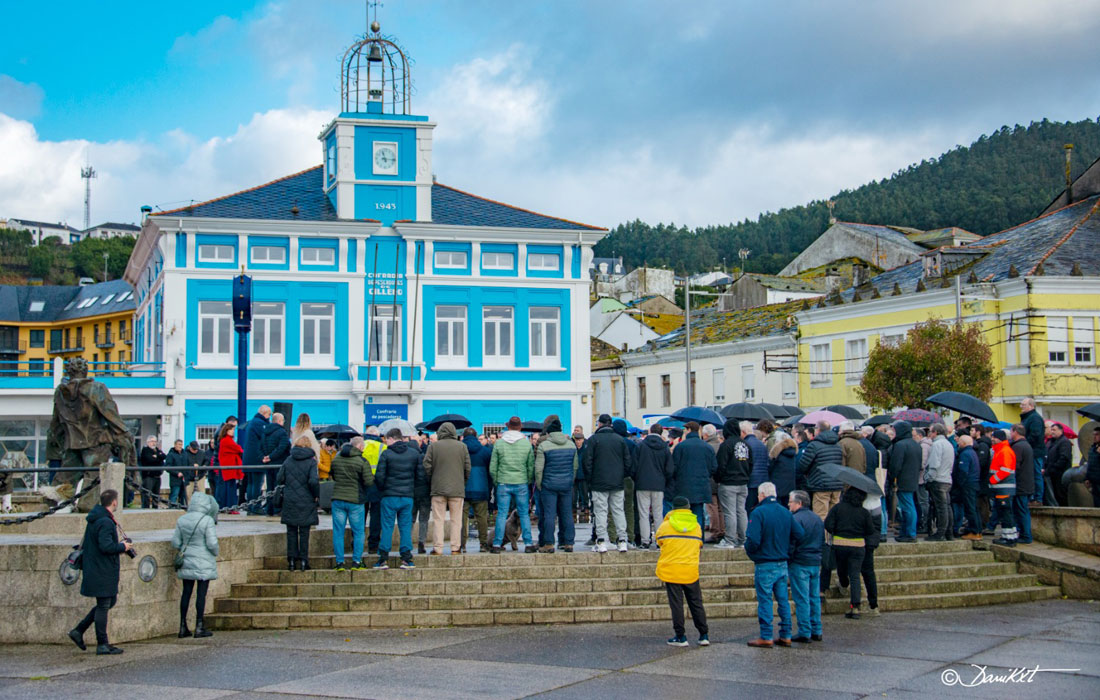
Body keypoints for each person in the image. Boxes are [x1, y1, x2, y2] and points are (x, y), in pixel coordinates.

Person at [67, 489, 133, 655]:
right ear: (114, 502)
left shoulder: (97, 518)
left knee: (109, 602)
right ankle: (102, 644)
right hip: (102, 569)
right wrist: (122, 546)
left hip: (97, 567)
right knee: (104, 605)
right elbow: (106, 546)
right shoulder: (105, 522)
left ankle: (79, 631)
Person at [745, 481, 802, 648]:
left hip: (765, 562)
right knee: (783, 600)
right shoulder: (785, 512)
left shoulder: (758, 512)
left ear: (762, 495)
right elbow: (799, 534)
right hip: (782, 562)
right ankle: (786, 634)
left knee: (765, 600)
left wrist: (751, 553)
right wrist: (788, 549)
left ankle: (766, 635)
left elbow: (753, 540)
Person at [656, 496, 709, 647]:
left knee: (677, 604)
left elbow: (659, 541)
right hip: (690, 569)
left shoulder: (665, 526)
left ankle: (681, 636)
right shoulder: (696, 526)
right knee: (696, 603)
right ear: (688, 508)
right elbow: (699, 544)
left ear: (673, 509)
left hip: (672, 569)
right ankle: (704, 634)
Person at [374, 428, 425, 569]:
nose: (386, 442)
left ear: (391, 438)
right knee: (405, 527)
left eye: (386, 439)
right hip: (407, 496)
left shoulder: (386, 454)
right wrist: (411, 490)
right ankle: (407, 558)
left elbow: (379, 476)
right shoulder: (414, 454)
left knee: (387, 526)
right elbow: (421, 476)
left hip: (389, 496)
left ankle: (383, 558)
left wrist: (383, 489)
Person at [171, 491, 219, 639]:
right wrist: (216, 552)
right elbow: (212, 544)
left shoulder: (182, 519)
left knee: (186, 592)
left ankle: (182, 626)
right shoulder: (207, 520)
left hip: (187, 560)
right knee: (201, 594)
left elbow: (175, 542)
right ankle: (199, 626)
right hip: (204, 561)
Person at [582, 414, 632, 553]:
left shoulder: (593, 440)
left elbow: (587, 462)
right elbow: (628, 462)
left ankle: (602, 541)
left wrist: (590, 479)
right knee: (618, 511)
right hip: (617, 482)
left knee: (601, 512)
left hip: (598, 482)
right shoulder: (620, 440)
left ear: (600, 424)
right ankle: (622, 540)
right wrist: (621, 476)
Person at [824, 487, 875, 618]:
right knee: (855, 576)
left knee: (841, 570)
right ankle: (855, 607)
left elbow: (828, 524)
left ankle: (843, 583)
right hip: (858, 546)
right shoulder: (864, 512)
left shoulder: (838, 508)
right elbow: (870, 530)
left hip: (840, 544)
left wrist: (837, 530)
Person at [489, 417, 536, 553]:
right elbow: (530, 466)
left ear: (508, 427)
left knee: (501, 514)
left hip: (503, 482)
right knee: (524, 514)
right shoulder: (526, 443)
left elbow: (493, 467)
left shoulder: (499, 443)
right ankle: (528, 543)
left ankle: (497, 544)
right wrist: (527, 480)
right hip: (521, 481)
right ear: (520, 427)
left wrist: (497, 480)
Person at [424, 422, 471, 555]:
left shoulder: (433, 446)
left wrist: (432, 479)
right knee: (456, 519)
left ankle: (438, 548)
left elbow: (426, 465)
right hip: (457, 489)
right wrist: (462, 482)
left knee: (438, 519)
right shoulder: (462, 446)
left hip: (438, 488)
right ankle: (455, 547)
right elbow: (468, 467)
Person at [535, 415, 579, 553]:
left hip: (549, 485)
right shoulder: (571, 445)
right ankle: (569, 543)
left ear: (549, 432)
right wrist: (570, 480)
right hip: (566, 485)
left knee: (549, 515)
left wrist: (540, 484)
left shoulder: (544, 446)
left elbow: (539, 469)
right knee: (567, 514)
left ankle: (549, 544)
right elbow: (575, 467)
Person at [277, 436, 320, 571]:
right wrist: (316, 495)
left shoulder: (288, 460)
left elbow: (280, 478)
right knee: (304, 531)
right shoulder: (311, 462)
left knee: (291, 531)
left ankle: (291, 561)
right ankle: (303, 561)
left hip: (290, 499)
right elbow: (313, 481)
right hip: (306, 500)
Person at [329, 436, 372, 570]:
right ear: (360, 447)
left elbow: (333, 475)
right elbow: (368, 482)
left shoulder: (336, 459)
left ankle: (339, 563)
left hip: (338, 499)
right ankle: (356, 562)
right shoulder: (361, 461)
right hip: (355, 501)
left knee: (338, 532)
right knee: (358, 532)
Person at [787, 490, 823, 642]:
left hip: (800, 562)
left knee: (802, 598)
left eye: (790, 502)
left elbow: (792, 542)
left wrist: (789, 558)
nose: (788, 504)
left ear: (799, 503)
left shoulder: (795, 519)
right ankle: (817, 629)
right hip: (815, 561)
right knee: (814, 597)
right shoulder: (817, 518)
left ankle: (805, 631)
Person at [634, 424, 674, 550]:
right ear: (661, 432)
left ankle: (645, 541)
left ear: (650, 431)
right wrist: (664, 480)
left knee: (643, 513)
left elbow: (634, 465)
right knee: (658, 513)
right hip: (659, 484)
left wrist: (637, 478)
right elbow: (669, 469)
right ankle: (659, 539)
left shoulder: (641, 445)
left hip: (642, 483)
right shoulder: (665, 447)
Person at [671, 422, 718, 529]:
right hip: (701, 484)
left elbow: (674, 467)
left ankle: (686, 536)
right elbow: (714, 467)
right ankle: (698, 536)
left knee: (683, 514)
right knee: (698, 513)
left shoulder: (681, 447)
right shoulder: (707, 447)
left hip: (683, 485)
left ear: (688, 430)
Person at [715, 419, 751, 548]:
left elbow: (721, 465)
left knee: (729, 512)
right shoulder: (745, 444)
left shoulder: (726, 445)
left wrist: (718, 478)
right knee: (741, 511)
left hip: (728, 482)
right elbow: (751, 463)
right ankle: (743, 539)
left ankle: (729, 540)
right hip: (743, 482)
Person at [797, 421, 844, 519]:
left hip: (820, 484)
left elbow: (802, 465)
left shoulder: (814, 445)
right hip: (837, 484)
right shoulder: (838, 445)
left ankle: (822, 530)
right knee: (834, 517)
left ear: (818, 430)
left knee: (820, 516)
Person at [888, 421, 921, 542]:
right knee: (909, 506)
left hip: (903, 479)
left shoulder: (900, 445)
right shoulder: (915, 444)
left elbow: (896, 465)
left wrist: (892, 477)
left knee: (907, 507)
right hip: (913, 478)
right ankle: (906, 532)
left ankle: (910, 533)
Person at [461, 427, 492, 553]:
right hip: (481, 488)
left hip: (463, 489)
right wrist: (489, 488)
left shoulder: (460, 450)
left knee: (462, 519)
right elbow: (490, 472)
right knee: (482, 518)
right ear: (476, 436)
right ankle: (483, 543)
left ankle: (461, 544)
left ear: (463, 437)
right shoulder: (485, 451)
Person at [926, 424, 955, 541]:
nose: (929, 434)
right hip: (947, 478)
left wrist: (929, 478)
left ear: (936, 432)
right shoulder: (948, 444)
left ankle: (940, 533)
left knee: (941, 508)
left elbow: (934, 463)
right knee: (947, 507)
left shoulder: (937, 444)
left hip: (938, 479)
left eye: (931, 431)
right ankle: (949, 532)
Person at [989, 430, 1018, 546]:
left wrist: (992, 480)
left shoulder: (1004, 451)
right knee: (1005, 513)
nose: (992, 439)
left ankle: (1009, 538)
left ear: (999, 438)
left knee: (1006, 513)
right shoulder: (1001, 450)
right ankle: (1010, 536)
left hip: (1004, 488)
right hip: (1002, 488)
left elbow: (1005, 470)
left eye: (994, 437)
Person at [361, 427, 386, 554]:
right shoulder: (383, 447)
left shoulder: (360, 445)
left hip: (362, 484)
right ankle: (373, 544)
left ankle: (357, 543)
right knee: (376, 516)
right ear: (377, 435)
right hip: (377, 485)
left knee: (360, 515)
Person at [1008, 424, 1035, 544]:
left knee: (1021, 510)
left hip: (1021, 484)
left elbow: (1015, 465)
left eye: (1011, 431)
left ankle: (1025, 535)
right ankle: (1024, 534)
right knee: (1022, 510)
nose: (1010, 434)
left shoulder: (1018, 447)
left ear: (1015, 432)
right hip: (1026, 483)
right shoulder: (1026, 445)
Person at [261, 412, 291, 516]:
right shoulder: (282, 432)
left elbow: (262, 446)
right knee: (278, 486)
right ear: (279, 421)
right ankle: (277, 509)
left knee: (270, 487)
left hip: (268, 464)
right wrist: (271, 456)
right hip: (279, 463)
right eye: (283, 421)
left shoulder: (265, 432)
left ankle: (269, 508)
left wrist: (266, 457)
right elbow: (282, 447)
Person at [242, 405, 271, 507]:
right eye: (269, 415)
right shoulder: (260, 424)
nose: (269, 417)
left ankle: (250, 506)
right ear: (265, 413)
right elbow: (266, 437)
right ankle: (255, 506)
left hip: (248, 458)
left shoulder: (252, 422)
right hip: (257, 458)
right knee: (257, 484)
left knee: (251, 483)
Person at [1019, 398, 1046, 506]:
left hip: (1035, 452)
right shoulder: (1029, 418)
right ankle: (1033, 497)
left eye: (1023, 404)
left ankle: (1037, 498)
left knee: (1036, 474)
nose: (1021, 406)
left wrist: (1024, 442)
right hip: (1031, 451)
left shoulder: (1034, 418)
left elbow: (1035, 435)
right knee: (1032, 474)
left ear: (1031, 406)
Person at [956, 435, 982, 539]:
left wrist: (959, 483)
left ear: (963, 443)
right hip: (974, 483)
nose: (958, 443)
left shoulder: (965, 454)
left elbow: (963, 471)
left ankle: (974, 531)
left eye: (959, 442)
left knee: (970, 509)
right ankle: (978, 530)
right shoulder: (973, 453)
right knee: (974, 508)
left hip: (968, 484)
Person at [215, 423, 243, 510]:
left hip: (228, 467)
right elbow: (239, 449)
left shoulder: (224, 440)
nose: (233, 431)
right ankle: (230, 506)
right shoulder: (227, 440)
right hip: (229, 468)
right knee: (230, 488)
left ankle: (226, 506)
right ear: (226, 431)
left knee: (228, 487)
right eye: (231, 430)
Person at [744, 421, 770, 515]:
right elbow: (767, 463)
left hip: (751, 480)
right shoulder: (762, 445)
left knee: (748, 508)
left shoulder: (745, 444)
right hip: (762, 479)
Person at [1045, 423, 1072, 507]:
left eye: (1054, 430)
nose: (1052, 432)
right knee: (1055, 495)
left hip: (1061, 474)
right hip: (1052, 473)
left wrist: (1054, 468)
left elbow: (1064, 458)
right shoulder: (1051, 442)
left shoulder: (1064, 442)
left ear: (1061, 431)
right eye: (1051, 430)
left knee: (1061, 495)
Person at [139, 435, 167, 509]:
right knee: (147, 494)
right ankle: (145, 509)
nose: (154, 443)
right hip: (149, 476)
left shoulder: (157, 450)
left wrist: (156, 456)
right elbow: (149, 459)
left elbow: (164, 456)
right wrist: (158, 458)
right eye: (152, 441)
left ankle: (155, 508)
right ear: (148, 442)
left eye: (155, 441)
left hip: (157, 476)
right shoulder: (145, 450)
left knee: (156, 495)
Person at [165, 439, 190, 506]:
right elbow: (168, 467)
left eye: (181, 444)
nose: (180, 446)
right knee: (174, 495)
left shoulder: (185, 454)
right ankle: (171, 508)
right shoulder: (171, 454)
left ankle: (183, 508)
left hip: (184, 479)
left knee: (183, 496)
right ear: (175, 445)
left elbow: (188, 465)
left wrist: (187, 475)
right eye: (178, 444)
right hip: (175, 479)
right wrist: (177, 473)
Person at [1086, 427, 1100, 507]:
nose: (1094, 437)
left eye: (1097, 435)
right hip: (1094, 480)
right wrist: (1087, 478)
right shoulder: (1093, 448)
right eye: (1093, 435)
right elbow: (1090, 464)